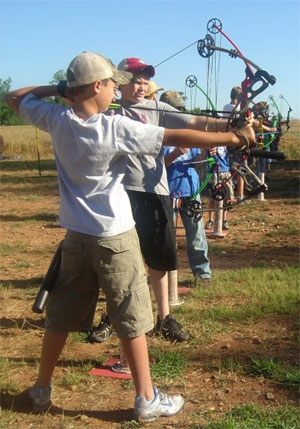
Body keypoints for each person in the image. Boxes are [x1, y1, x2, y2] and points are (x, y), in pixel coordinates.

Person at [5, 52, 254, 421]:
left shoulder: (56, 118)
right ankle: (146, 398)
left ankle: (41, 388)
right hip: (115, 237)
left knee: (59, 317)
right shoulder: (114, 127)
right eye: (111, 83)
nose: (116, 88)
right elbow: (173, 134)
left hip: (75, 238)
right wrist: (234, 137)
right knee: (133, 319)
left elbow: (14, 96)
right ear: (96, 86)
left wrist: (62, 90)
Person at [90, 57, 250, 345]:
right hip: (118, 192)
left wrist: (233, 122)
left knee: (159, 257)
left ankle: (164, 319)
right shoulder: (107, 110)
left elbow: (199, 121)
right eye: (133, 81)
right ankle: (112, 316)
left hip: (154, 191)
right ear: (119, 83)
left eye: (144, 82)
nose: (140, 86)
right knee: (118, 260)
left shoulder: (156, 108)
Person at [160, 90, 211, 283]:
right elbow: (157, 165)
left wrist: (207, 154)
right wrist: (174, 154)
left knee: (196, 233)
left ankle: (203, 273)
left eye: (180, 111)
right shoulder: (160, 134)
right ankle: (162, 275)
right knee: (165, 235)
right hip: (166, 190)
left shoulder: (189, 133)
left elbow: (197, 160)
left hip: (191, 189)